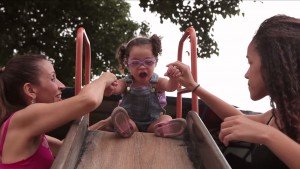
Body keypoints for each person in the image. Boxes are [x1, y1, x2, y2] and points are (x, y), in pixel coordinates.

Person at [167, 15, 300, 169]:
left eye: (250, 62)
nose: (246, 74)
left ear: (274, 65)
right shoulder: (276, 116)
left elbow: (262, 131)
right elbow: (239, 119)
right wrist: (194, 87)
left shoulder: (272, 128)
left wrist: (268, 135)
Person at [0, 54, 116, 169]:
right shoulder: (23, 118)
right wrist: (104, 78)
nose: (62, 85)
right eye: (53, 78)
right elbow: (88, 100)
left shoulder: (27, 127)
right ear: (30, 90)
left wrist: (106, 123)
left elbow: (64, 146)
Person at [102, 34, 187, 138]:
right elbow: (116, 87)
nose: (142, 66)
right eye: (135, 63)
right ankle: (125, 127)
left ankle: (163, 128)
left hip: (153, 124)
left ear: (155, 62)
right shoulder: (126, 82)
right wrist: (110, 87)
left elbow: (170, 87)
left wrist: (173, 78)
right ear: (127, 64)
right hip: (131, 123)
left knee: (166, 117)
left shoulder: (157, 82)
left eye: (148, 62)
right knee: (120, 114)